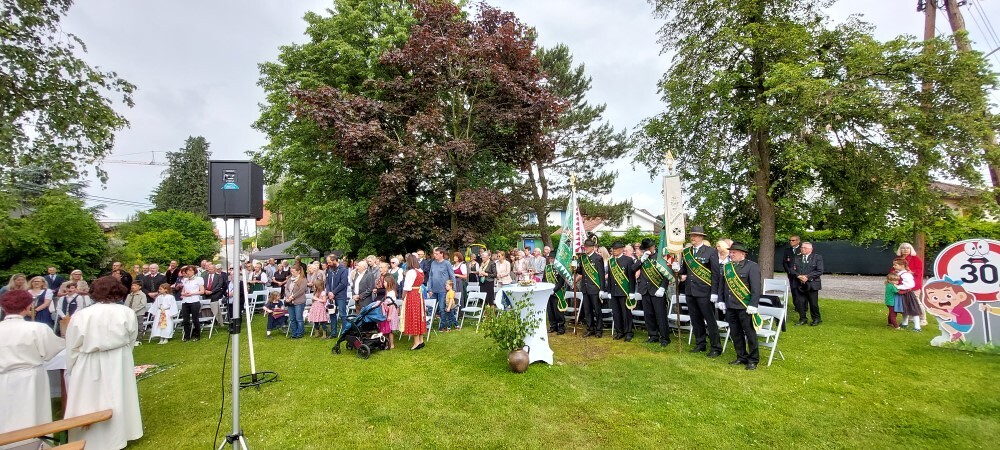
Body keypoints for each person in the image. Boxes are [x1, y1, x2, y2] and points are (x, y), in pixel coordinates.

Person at [64, 277, 143, 449]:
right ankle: (114, 434)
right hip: (116, 359)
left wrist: (72, 367)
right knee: (116, 395)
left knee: (92, 397)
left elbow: (72, 345)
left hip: (91, 360)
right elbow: (131, 338)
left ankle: (111, 436)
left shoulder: (82, 315)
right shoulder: (125, 312)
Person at [0, 290, 65, 446]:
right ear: (28, 306)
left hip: (4, 378)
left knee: (5, 413)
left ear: (3, 308)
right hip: (30, 377)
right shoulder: (37, 329)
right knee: (32, 413)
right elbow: (52, 350)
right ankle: (34, 445)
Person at [679, 226, 722, 357]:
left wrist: (714, 292)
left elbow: (715, 274)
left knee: (710, 320)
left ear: (701, 237)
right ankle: (700, 343)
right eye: (691, 235)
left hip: (705, 291)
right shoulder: (687, 252)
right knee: (695, 319)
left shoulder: (710, 251)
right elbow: (685, 270)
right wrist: (678, 269)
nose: (692, 238)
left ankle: (716, 347)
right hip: (690, 291)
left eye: (695, 235)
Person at [718, 242, 762, 370]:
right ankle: (741, 356)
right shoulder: (727, 267)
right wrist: (721, 300)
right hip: (730, 306)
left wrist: (753, 304)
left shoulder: (752, 267)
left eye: (734, 252)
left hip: (745, 306)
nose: (731, 254)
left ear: (742, 254)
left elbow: (756, 288)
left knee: (750, 334)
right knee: (735, 333)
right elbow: (722, 285)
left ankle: (753, 360)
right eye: (730, 252)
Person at [637, 238, 672, 346]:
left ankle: (665, 338)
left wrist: (663, 287)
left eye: (648, 248)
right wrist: (641, 260)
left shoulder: (662, 256)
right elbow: (633, 269)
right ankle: (653, 336)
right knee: (649, 315)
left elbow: (668, 273)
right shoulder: (643, 258)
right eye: (645, 249)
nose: (647, 250)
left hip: (657, 289)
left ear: (653, 247)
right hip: (645, 290)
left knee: (660, 315)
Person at [575, 238, 606, 338]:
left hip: (595, 288)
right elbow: (581, 271)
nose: (586, 248)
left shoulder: (598, 258)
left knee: (597, 310)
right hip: (585, 287)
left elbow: (601, 275)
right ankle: (590, 329)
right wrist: (575, 267)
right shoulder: (583, 258)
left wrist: (602, 289)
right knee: (587, 310)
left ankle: (599, 330)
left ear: (593, 247)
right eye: (585, 247)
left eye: (588, 247)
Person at [608, 241, 638, 341]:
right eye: (613, 249)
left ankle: (628, 332)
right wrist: (609, 291)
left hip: (624, 291)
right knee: (616, 313)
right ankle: (619, 331)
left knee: (626, 313)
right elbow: (610, 278)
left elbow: (631, 277)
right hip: (614, 291)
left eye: (616, 249)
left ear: (621, 249)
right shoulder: (611, 261)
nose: (614, 251)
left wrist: (632, 291)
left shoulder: (628, 260)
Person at [791, 242, 824, 326]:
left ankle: (816, 319)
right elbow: (791, 270)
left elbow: (820, 271)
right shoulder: (796, 257)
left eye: (805, 248)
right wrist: (799, 276)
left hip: (812, 284)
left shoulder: (817, 258)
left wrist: (807, 277)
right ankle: (803, 319)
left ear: (811, 249)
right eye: (802, 247)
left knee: (813, 303)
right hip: (799, 283)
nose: (802, 249)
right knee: (800, 302)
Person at [895, 243, 926, 326]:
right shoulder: (898, 259)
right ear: (900, 250)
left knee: (916, 302)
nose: (905, 250)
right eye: (903, 248)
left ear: (911, 249)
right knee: (905, 302)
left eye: (907, 248)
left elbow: (919, 271)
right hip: (902, 285)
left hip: (914, 284)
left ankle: (923, 319)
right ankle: (908, 319)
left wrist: (911, 272)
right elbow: (893, 270)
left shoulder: (916, 259)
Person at [402, 253, 426, 350]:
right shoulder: (420, 271)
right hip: (419, 295)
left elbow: (407, 287)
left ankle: (416, 342)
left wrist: (403, 297)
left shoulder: (411, 272)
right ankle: (421, 340)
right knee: (419, 316)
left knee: (413, 316)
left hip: (412, 295)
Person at [428, 247, 456, 330]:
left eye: (437, 254)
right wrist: (429, 289)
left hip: (443, 290)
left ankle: (442, 326)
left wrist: (453, 289)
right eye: (434, 254)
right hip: (433, 290)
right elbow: (430, 276)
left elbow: (452, 276)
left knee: (442, 308)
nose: (435, 255)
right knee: (430, 308)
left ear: (441, 254)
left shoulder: (447, 263)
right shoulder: (433, 263)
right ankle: (428, 325)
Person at [893, 258, 922, 332]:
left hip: (908, 294)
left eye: (895, 265)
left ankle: (917, 327)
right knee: (905, 309)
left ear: (902, 266)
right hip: (903, 294)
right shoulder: (899, 274)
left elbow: (910, 284)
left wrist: (898, 287)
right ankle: (905, 323)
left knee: (914, 310)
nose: (894, 266)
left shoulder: (906, 275)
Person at [178, 265, 204, 342]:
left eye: (190, 271)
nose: (188, 272)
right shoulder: (185, 280)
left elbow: (202, 291)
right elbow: (182, 291)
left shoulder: (199, 279)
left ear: (194, 271)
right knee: (185, 319)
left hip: (194, 300)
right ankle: (187, 336)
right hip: (185, 301)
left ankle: (197, 335)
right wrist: (184, 294)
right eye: (187, 271)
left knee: (195, 319)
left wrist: (192, 293)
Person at [544, 253, 567, 335]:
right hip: (548, 292)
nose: (551, 260)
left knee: (558, 311)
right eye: (549, 258)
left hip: (557, 292)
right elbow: (544, 279)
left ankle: (561, 327)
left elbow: (561, 282)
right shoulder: (547, 268)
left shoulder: (560, 268)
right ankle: (553, 326)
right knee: (550, 310)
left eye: (552, 258)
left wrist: (554, 290)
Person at [327, 255, 349, 338]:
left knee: (342, 314)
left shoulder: (343, 270)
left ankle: (344, 333)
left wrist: (334, 292)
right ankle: (333, 333)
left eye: (329, 262)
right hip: (331, 296)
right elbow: (327, 283)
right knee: (332, 313)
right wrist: (329, 292)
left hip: (340, 296)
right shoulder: (329, 270)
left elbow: (343, 283)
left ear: (334, 261)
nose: (328, 264)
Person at [285, 264, 308, 339]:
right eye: (291, 271)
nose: (292, 273)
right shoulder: (289, 279)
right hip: (290, 301)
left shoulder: (303, 279)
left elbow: (301, 291)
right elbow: (286, 289)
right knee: (292, 318)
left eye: (293, 271)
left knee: (299, 318)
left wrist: (292, 297)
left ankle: (299, 333)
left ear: (298, 271)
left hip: (299, 301)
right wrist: (289, 296)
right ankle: (293, 333)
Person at [380, 274, 400, 349]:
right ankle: (387, 343)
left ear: (389, 283)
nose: (383, 283)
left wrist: (389, 315)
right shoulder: (388, 291)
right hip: (387, 310)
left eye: (385, 282)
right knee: (387, 328)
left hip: (390, 311)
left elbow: (391, 305)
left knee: (390, 329)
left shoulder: (391, 293)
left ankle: (391, 344)